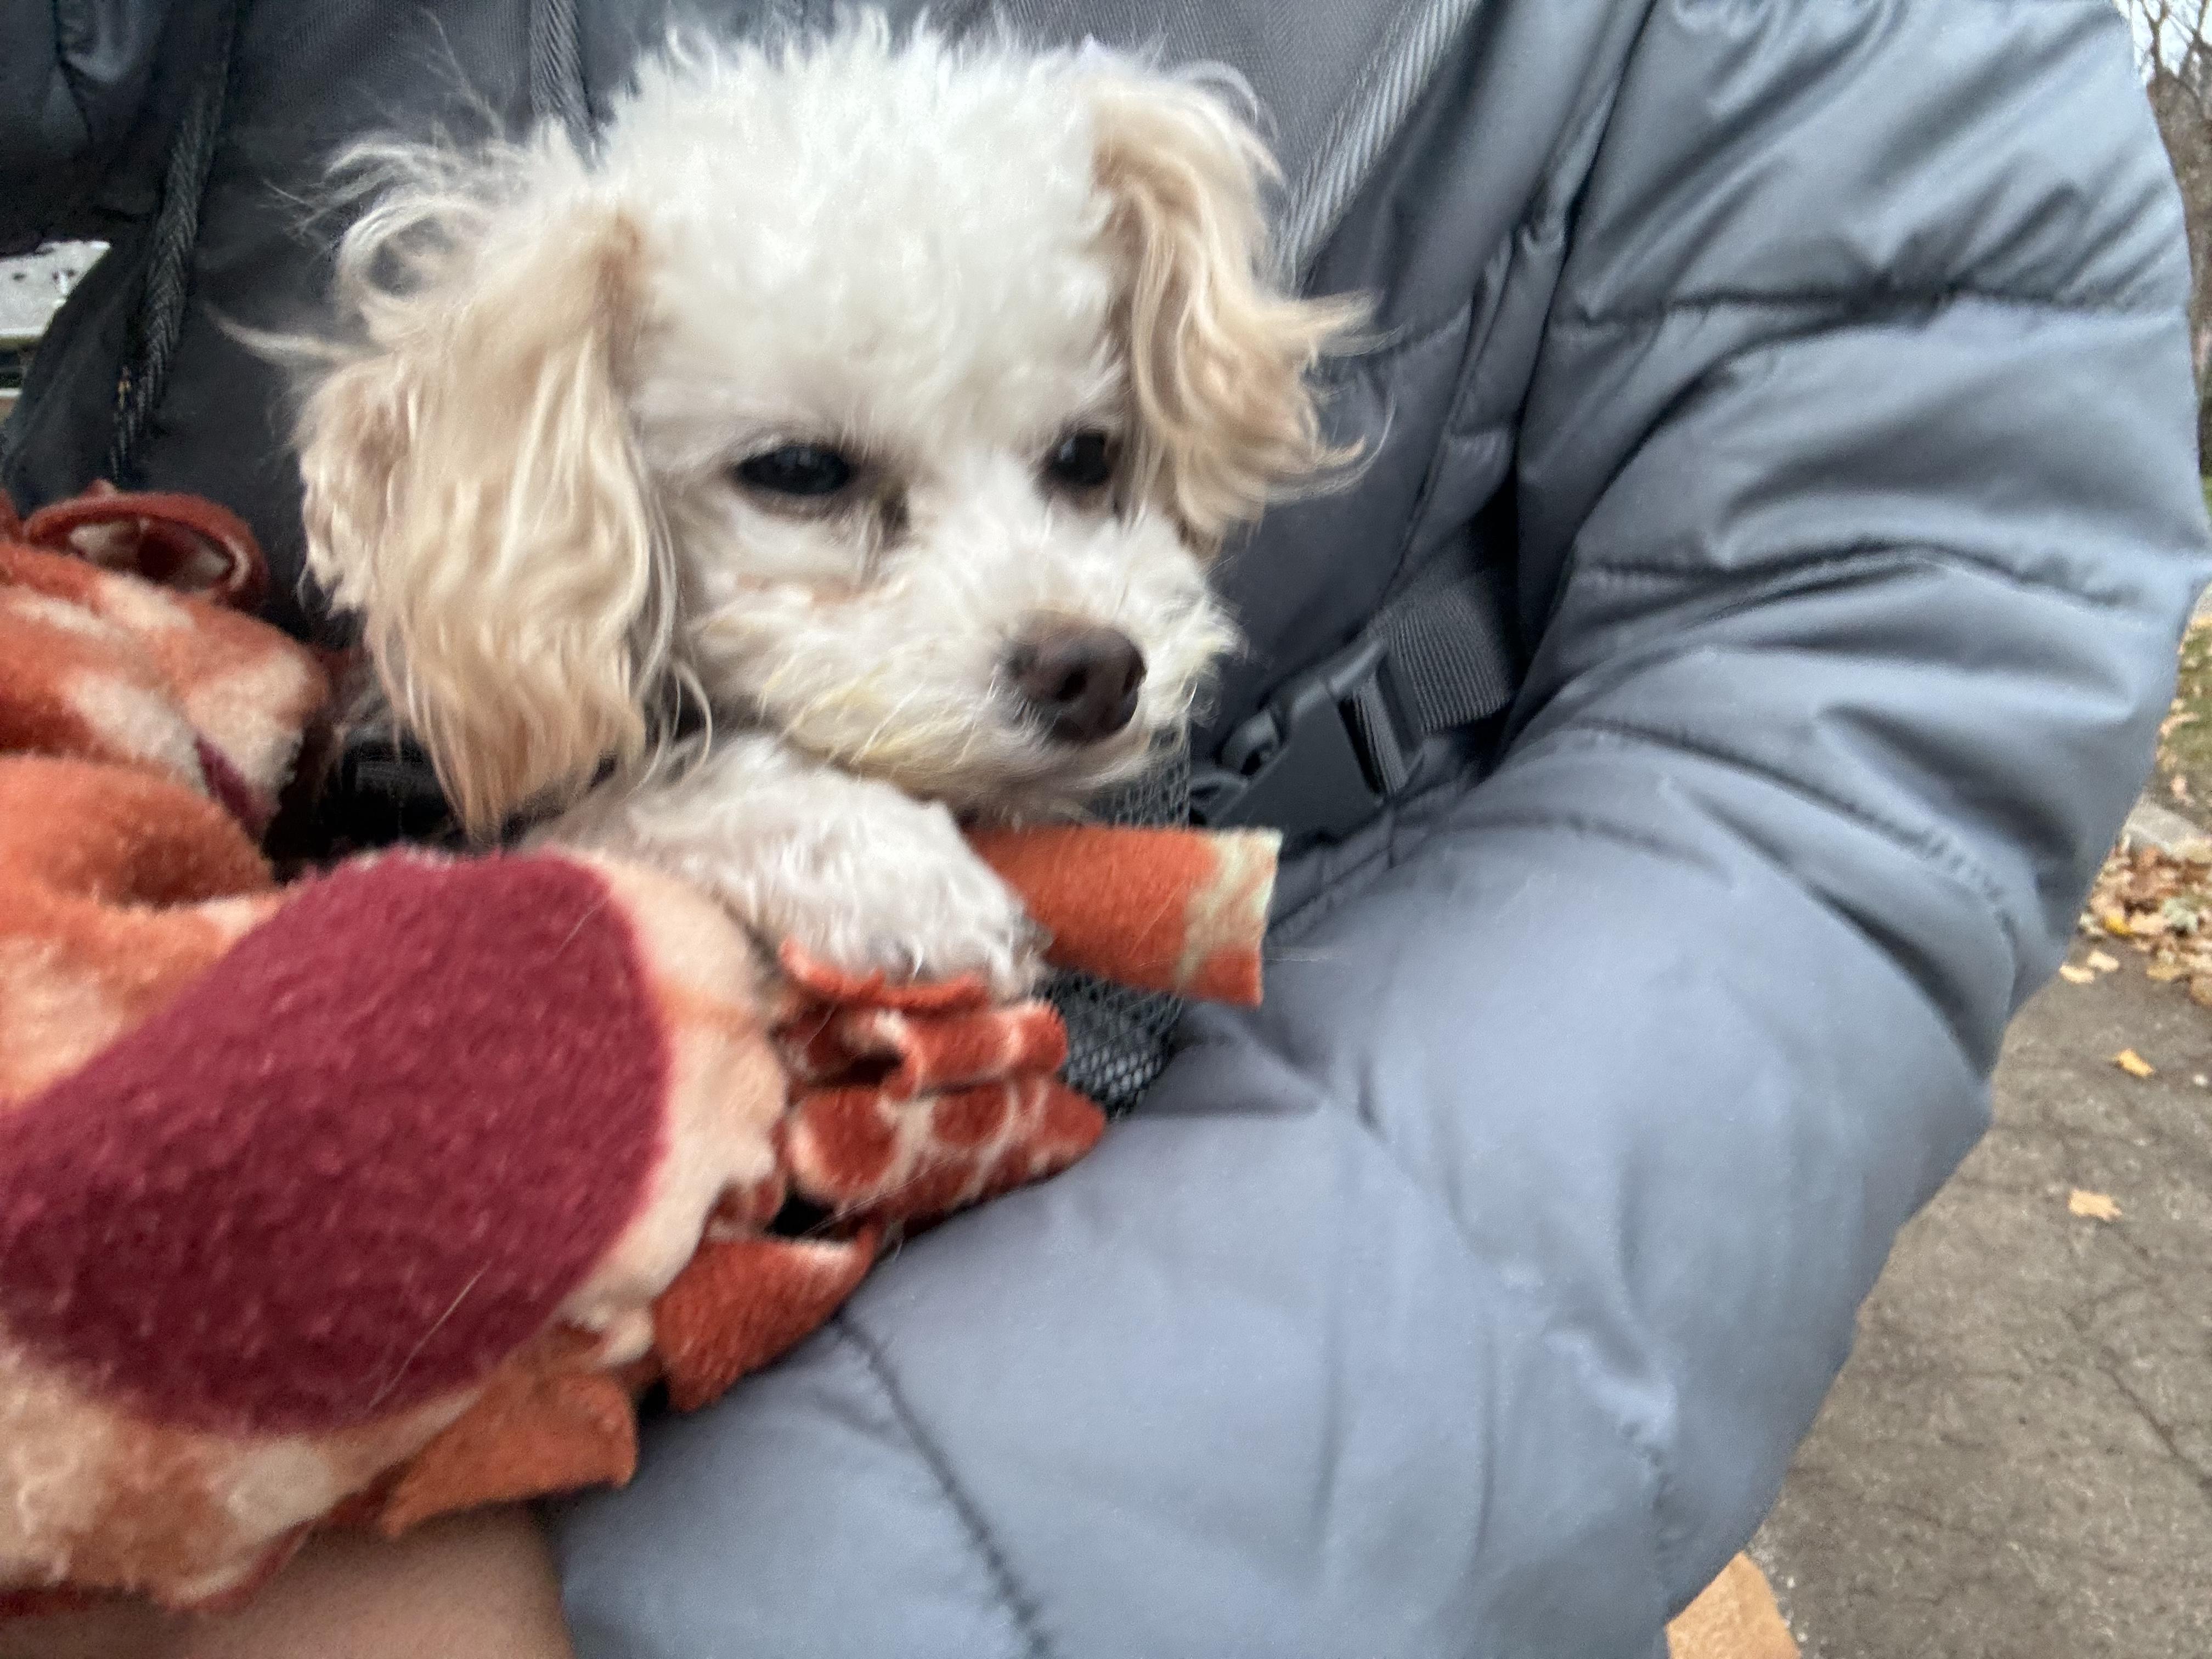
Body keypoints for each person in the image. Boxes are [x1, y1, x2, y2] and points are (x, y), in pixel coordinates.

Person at [3, 2, 2205, 1655]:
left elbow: (1839, 780)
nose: (1068, 629)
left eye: (1081, 465)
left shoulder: (1849, 66)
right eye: (807, 483)